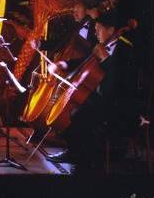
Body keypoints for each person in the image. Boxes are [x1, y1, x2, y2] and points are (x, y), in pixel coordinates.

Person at [46, 12, 139, 165]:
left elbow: (123, 81)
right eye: (94, 29)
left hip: (118, 102)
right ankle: (77, 151)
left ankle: (78, 155)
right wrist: (62, 64)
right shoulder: (103, 47)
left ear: (111, 30)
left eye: (98, 28)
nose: (95, 33)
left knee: (78, 112)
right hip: (102, 98)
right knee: (78, 107)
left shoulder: (126, 51)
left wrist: (105, 60)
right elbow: (83, 61)